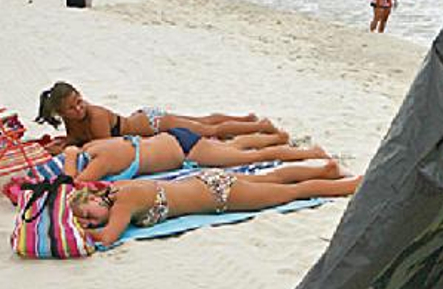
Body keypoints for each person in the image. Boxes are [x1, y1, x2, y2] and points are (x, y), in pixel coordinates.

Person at [67, 162, 362, 246]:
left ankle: (351, 185)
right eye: (88, 221)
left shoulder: (122, 203)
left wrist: (77, 231)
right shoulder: (117, 190)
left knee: (291, 193)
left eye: (88, 215)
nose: (92, 222)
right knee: (273, 179)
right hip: (207, 182)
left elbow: (106, 238)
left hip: (219, 196)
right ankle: (326, 169)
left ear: (94, 198)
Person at [35, 81, 278, 154]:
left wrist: (71, 146)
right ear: (61, 113)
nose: (79, 108)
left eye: (79, 101)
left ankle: (259, 125)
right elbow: (77, 137)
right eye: (71, 108)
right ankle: (247, 119)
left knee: (208, 130)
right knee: (203, 121)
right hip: (143, 121)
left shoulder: (95, 115)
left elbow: (101, 145)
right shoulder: (72, 120)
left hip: (152, 124)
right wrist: (67, 141)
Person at [62, 128, 329, 182]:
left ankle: (309, 152)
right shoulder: (95, 147)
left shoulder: (100, 160)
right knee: (233, 149)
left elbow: (74, 184)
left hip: (186, 148)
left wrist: (70, 160)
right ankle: (275, 136)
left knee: (247, 158)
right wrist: (73, 152)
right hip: (176, 140)